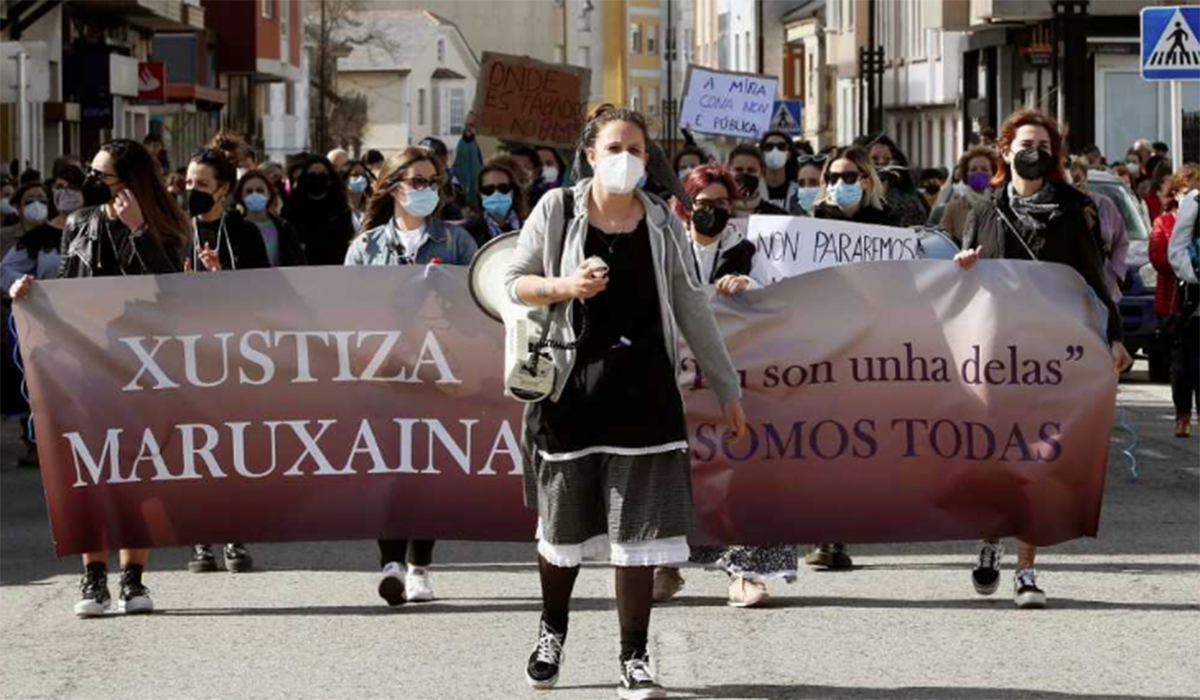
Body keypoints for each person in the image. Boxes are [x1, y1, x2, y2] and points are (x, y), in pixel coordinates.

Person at [504, 105, 747, 698]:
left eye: (636, 149)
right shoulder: (557, 210)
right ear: (590, 154)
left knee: (636, 536)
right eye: (614, 147)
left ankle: (634, 658)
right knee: (561, 532)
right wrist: (566, 287)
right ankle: (551, 632)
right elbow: (513, 282)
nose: (626, 158)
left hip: (645, 393)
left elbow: (692, 306)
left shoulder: (663, 219)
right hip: (570, 391)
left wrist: (728, 390)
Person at [956, 110, 1131, 609]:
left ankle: (1027, 571)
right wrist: (964, 265)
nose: (1035, 151)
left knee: (1036, 456)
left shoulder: (1075, 209)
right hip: (992, 352)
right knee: (993, 452)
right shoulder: (984, 209)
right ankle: (990, 537)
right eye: (1026, 142)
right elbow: (964, 281)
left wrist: (1113, 338)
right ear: (1006, 149)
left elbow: (1097, 281)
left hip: (1049, 354)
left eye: (1045, 145)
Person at [11, 139, 189, 617]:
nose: (90, 180)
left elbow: (175, 292)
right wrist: (29, 292)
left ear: (129, 182)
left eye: (101, 174)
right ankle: (93, 578)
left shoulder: (167, 226)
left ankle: (133, 579)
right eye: (91, 171)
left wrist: (138, 233)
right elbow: (66, 291)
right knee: (90, 470)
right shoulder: (80, 224)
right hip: (88, 366)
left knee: (136, 472)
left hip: (144, 368)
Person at [346, 146, 478, 607]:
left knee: (428, 468)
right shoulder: (366, 246)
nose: (426, 190)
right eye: (417, 181)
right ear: (394, 185)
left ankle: (421, 564)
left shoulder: (457, 242)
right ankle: (390, 564)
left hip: (441, 370)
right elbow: (346, 308)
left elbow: (478, 304)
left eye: (433, 182)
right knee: (388, 468)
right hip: (385, 373)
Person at [651, 163, 787, 608]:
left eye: (722, 204)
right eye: (703, 204)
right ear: (686, 207)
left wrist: (751, 287)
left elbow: (781, 300)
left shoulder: (750, 249)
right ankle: (665, 567)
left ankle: (746, 572)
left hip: (740, 376)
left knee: (744, 471)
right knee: (674, 470)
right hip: (677, 379)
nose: (712, 212)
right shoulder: (664, 247)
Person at [1150, 166, 1200, 437]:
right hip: (1176, 303)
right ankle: (1182, 415)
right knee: (1181, 363)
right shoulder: (1166, 221)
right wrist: (1191, 270)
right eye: (1186, 188)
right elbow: (1161, 255)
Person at [1068, 157, 1129, 302]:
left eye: (1077, 177)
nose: (1074, 183)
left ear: (1085, 177)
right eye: (1069, 178)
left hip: (1104, 283)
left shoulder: (1104, 204)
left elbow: (1121, 242)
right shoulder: (1058, 206)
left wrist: (1115, 273)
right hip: (1069, 284)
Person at [281, 154, 356, 265]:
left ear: (330, 178)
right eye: (312, 175)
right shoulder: (292, 207)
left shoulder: (341, 208)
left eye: (322, 174)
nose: (317, 178)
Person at [235, 170, 307, 268]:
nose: (254, 194)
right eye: (249, 191)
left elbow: (299, 262)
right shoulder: (233, 228)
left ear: (269, 194)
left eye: (260, 190)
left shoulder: (284, 228)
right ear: (241, 196)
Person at [858, 133, 928, 226]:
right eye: (874, 158)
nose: (881, 162)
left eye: (887, 159)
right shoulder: (854, 198)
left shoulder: (910, 201)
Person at [462, 158, 529, 248]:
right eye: (488, 190)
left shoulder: (530, 228)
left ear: (513, 191)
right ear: (480, 194)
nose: (496, 193)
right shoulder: (467, 232)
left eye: (503, 188)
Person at [941, 146, 1001, 242]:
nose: (979, 173)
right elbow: (945, 242)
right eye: (973, 170)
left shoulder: (1000, 206)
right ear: (965, 174)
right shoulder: (953, 208)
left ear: (993, 174)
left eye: (984, 169)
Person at [727, 144, 787, 216]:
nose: (744, 174)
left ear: (761, 173)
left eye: (751, 170)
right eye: (738, 170)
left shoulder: (777, 215)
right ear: (728, 170)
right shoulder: (718, 211)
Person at [759, 130, 798, 212]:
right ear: (762, 154)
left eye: (781, 147)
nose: (775, 151)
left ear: (789, 155)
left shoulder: (798, 191)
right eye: (769, 147)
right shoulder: (754, 190)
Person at [454, 113, 484, 210]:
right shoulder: (461, 145)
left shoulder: (481, 143)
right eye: (467, 125)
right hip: (463, 199)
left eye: (471, 125)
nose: (468, 128)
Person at [341, 159, 375, 232]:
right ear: (344, 180)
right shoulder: (337, 210)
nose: (361, 178)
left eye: (363, 175)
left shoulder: (371, 208)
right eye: (355, 175)